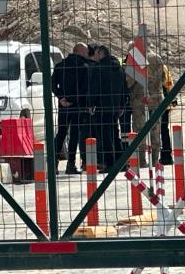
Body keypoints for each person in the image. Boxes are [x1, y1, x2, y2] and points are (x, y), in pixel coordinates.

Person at [51, 43, 92, 175]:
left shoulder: (60, 65)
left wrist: (61, 98)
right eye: (85, 53)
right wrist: (75, 101)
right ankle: (71, 165)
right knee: (74, 135)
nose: (87, 55)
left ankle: (53, 164)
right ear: (80, 52)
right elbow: (85, 89)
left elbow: (52, 84)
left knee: (61, 133)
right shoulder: (84, 67)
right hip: (77, 106)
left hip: (63, 105)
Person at [89, 44, 128, 169]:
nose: (94, 56)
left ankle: (110, 164)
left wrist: (90, 104)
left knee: (105, 136)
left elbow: (94, 89)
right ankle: (121, 163)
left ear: (101, 53)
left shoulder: (99, 68)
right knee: (114, 134)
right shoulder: (119, 68)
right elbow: (124, 89)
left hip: (102, 106)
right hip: (116, 106)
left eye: (96, 53)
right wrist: (122, 105)